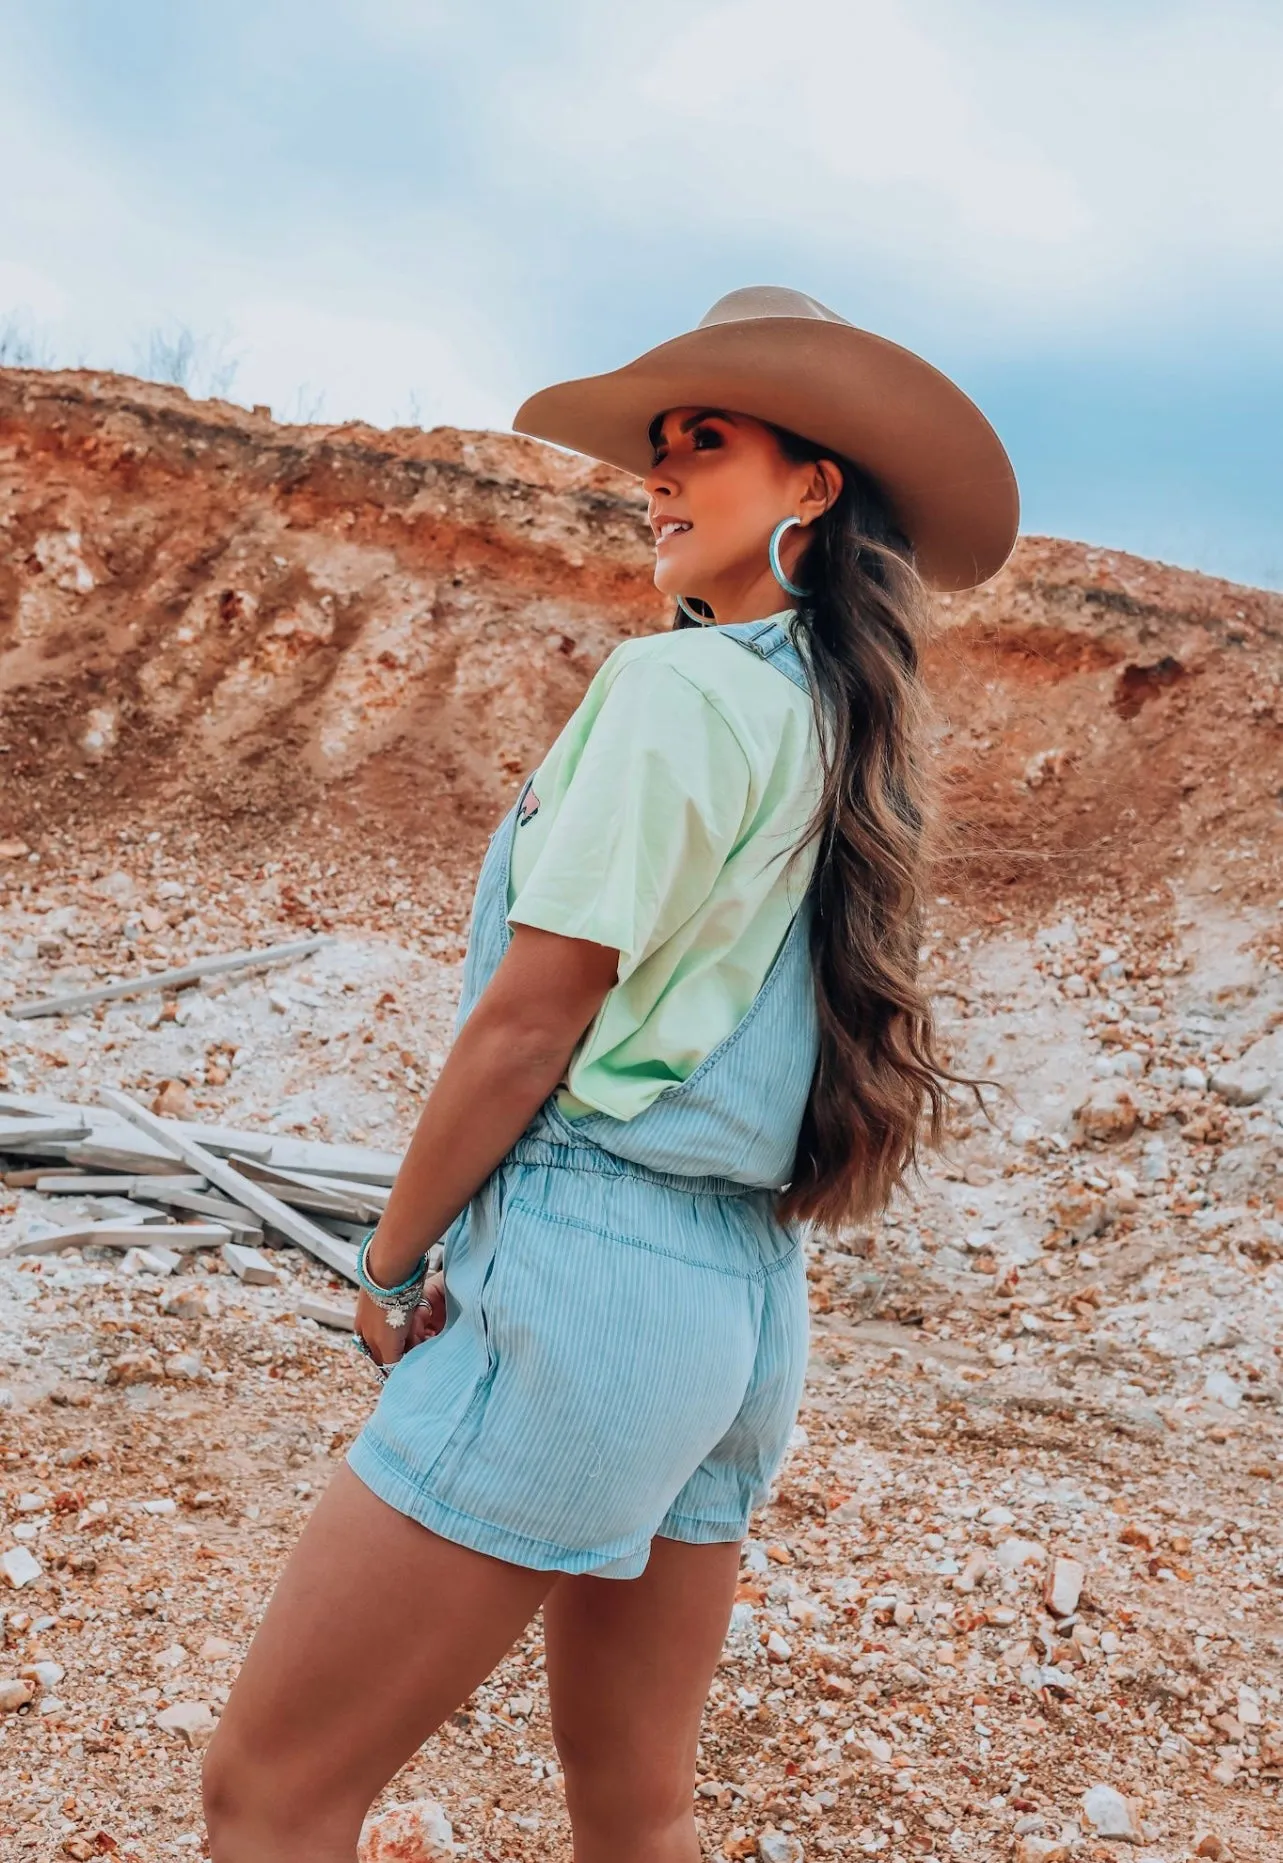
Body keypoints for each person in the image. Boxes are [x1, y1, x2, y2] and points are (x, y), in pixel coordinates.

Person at [201, 285, 1018, 1863]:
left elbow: (529, 1022)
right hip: (739, 1313)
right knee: (634, 1809)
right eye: (654, 448)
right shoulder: (843, 732)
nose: (657, 474)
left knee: (270, 1792)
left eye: (702, 442)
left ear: (811, 484)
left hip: (585, 1274)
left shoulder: (673, 692)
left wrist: (384, 1258)